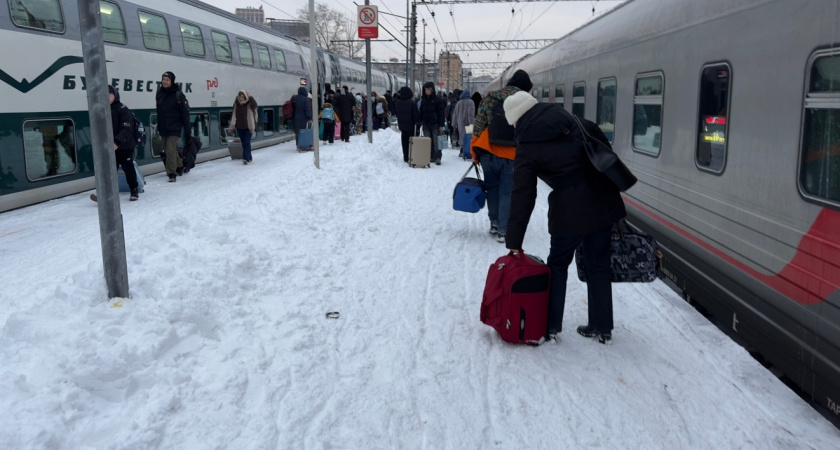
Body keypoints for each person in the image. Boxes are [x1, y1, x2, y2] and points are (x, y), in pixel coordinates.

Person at [502, 90, 626, 345]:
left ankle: (551, 327)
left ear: (517, 117)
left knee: (557, 266)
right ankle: (602, 327)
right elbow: (605, 151)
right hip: (602, 200)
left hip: (569, 210)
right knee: (599, 264)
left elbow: (523, 194)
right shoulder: (573, 120)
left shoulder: (527, 144)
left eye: (512, 121)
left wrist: (514, 239)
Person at [471, 69, 533, 242]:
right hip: (512, 156)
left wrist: (475, 152)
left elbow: (478, 128)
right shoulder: (526, 102)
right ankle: (504, 230)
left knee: (492, 189)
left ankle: (495, 223)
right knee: (507, 193)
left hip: (488, 154)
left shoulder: (490, 99)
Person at [155, 71, 190, 182]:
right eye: (163, 79)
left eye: (167, 80)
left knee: (170, 149)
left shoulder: (178, 95)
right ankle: (179, 165)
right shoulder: (159, 93)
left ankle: (171, 173)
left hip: (174, 126)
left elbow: (184, 113)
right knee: (167, 149)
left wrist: (187, 130)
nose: (164, 82)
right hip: (163, 126)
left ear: (171, 81)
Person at [109, 85, 139, 200]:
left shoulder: (122, 109)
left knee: (128, 168)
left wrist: (117, 142)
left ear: (115, 95)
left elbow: (126, 129)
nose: (107, 97)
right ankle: (107, 193)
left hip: (125, 145)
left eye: (110, 94)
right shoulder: (105, 109)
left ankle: (134, 190)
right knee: (110, 170)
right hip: (112, 146)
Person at [419, 81, 445, 165]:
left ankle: (437, 157)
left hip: (435, 124)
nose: (427, 91)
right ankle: (429, 156)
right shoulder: (423, 100)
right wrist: (420, 120)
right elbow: (421, 112)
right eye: (426, 90)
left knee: (436, 141)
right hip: (426, 123)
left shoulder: (438, 100)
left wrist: (441, 124)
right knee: (427, 141)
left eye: (429, 89)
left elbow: (441, 113)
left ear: (432, 90)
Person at [229, 90, 258, 164]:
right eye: (240, 97)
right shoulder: (236, 104)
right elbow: (234, 114)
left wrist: (250, 97)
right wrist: (232, 126)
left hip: (249, 126)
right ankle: (249, 156)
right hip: (240, 127)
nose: (241, 98)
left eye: (243, 97)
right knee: (244, 143)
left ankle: (246, 159)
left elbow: (255, 105)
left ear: (245, 96)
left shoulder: (249, 103)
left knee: (247, 142)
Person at [394, 86, 421, 163]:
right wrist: (418, 124)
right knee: (411, 141)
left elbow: (397, 113)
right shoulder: (412, 103)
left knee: (404, 140)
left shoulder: (398, 103)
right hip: (411, 125)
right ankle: (411, 155)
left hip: (402, 125)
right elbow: (415, 115)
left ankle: (405, 156)